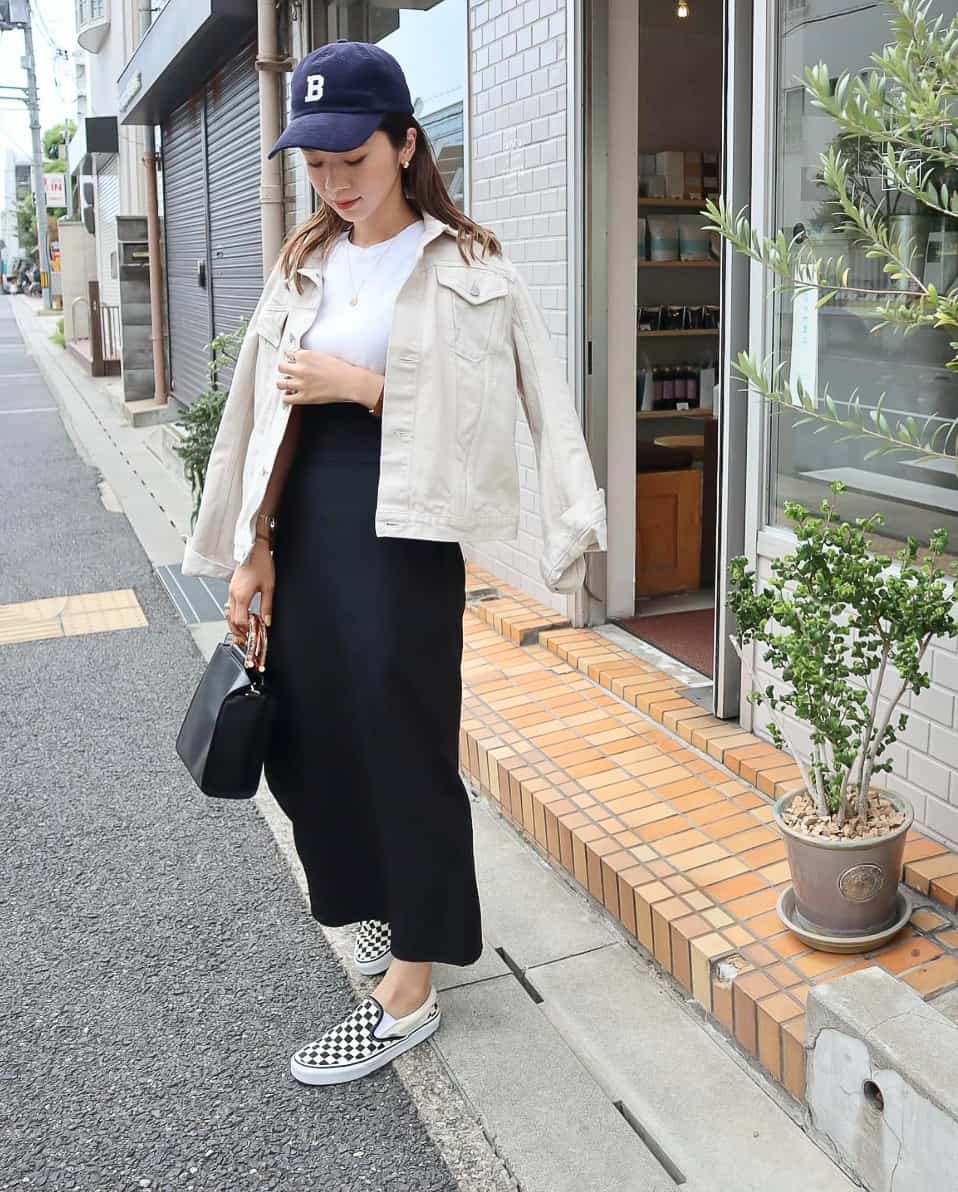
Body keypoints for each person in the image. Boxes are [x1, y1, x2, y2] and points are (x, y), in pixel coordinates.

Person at [181, 40, 607, 1087]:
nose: (332, 181)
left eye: (351, 158)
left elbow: (534, 408)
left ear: (405, 143)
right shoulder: (305, 262)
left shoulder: (470, 267)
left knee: (402, 742)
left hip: (407, 533)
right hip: (310, 517)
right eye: (315, 164)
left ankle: (411, 984)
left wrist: (362, 387)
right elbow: (259, 416)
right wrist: (254, 548)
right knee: (311, 738)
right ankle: (382, 910)